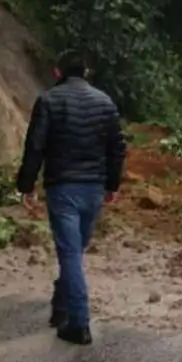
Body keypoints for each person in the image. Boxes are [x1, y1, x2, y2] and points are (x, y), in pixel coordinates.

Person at [17, 50, 127, 345]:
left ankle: (78, 324)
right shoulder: (105, 102)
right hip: (93, 190)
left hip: (63, 189)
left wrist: (26, 186)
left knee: (70, 254)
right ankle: (61, 306)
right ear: (87, 73)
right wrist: (112, 185)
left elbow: (35, 146)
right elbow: (117, 147)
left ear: (58, 72)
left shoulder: (49, 101)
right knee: (74, 253)